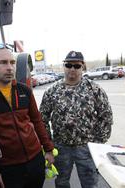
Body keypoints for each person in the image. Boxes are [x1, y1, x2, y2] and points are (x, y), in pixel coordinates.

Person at [0, 45, 55, 188]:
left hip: (35, 161)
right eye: (3, 62)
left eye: (12, 62)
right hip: (7, 169)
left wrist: (48, 149)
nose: (9, 67)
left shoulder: (25, 91)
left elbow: (37, 121)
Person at [40, 51, 113, 188]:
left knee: (90, 183)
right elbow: (42, 119)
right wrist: (48, 145)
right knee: (61, 182)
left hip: (86, 147)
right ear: (64, 66)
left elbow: (106, 116)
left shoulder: (94, 89)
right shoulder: (52, 91)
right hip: (61, 147)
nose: (72, 69)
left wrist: (97, 143)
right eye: (68, 65)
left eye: (76, 66)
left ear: (82, 67)